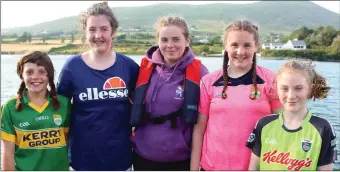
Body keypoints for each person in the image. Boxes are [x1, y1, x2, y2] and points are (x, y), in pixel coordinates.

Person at [56, 2, 139, 171]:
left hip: (120, 159)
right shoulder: (72, 67)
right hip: (82, 161)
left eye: (103, 29)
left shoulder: (128, 66)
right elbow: (58, 111)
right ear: (85, 33)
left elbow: (143, 105)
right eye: (92, 29)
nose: (97, 35)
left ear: (113, 31)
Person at [190, 20, 283, 170]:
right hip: (212, 167)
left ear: (256, 46)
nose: (240, 51)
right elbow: (199, 130)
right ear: (226, 46)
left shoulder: (271, 80)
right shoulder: (209, 82)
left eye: (247, 45)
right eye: (234, 45)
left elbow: (283, 127)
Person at [130, 15, 209, 171]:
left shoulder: (200, 73)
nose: (170, 45)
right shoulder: (144, 70)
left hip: (180, 160)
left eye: (176, 39)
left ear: (187, 41)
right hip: (142, 158)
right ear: (158, 41)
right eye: (164, 40)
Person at [247, 60, 336, 171]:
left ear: (310, 89)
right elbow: (254, 167)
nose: (291, 96)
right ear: (277, 89)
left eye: (298, 88)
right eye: (284, 88)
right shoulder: (264, 124)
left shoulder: (322, 128)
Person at [1, 51, 71, 171]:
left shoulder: (64, 104)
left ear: (49, 76)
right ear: (21, 75)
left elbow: (68, 142)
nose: (35, 77)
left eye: (42, 72)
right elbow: (8, 153)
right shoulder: (10, 107)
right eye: (29, 72)